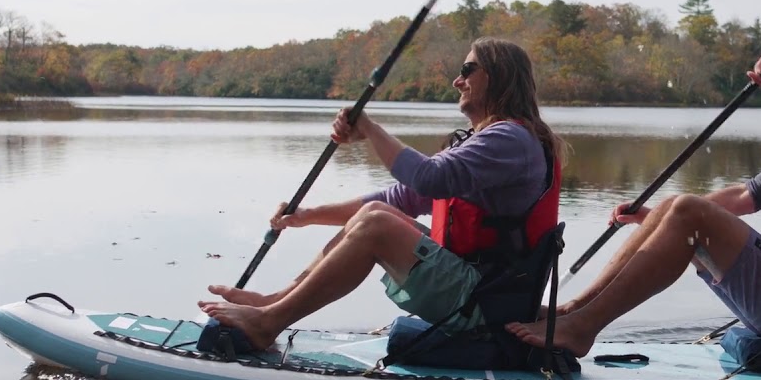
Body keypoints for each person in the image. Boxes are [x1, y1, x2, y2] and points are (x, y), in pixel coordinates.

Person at [508, 38, 761, 358]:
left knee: (688, 209)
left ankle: (583, 329)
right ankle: (573, 310)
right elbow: (745, 195)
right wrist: (659, 222)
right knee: (677, 207)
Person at [199, 38, 565, 353]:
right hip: (478, 289)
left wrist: (370, 129)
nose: (458, 80)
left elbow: (428, 178)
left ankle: (267, 323)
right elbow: (400, 198)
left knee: (375, 225)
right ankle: (275, 303)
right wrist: (306, 215)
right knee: (375, 213)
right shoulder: (495, 140)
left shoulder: (510, 140)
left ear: (498, 75)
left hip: (485, 300)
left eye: (468, 69)